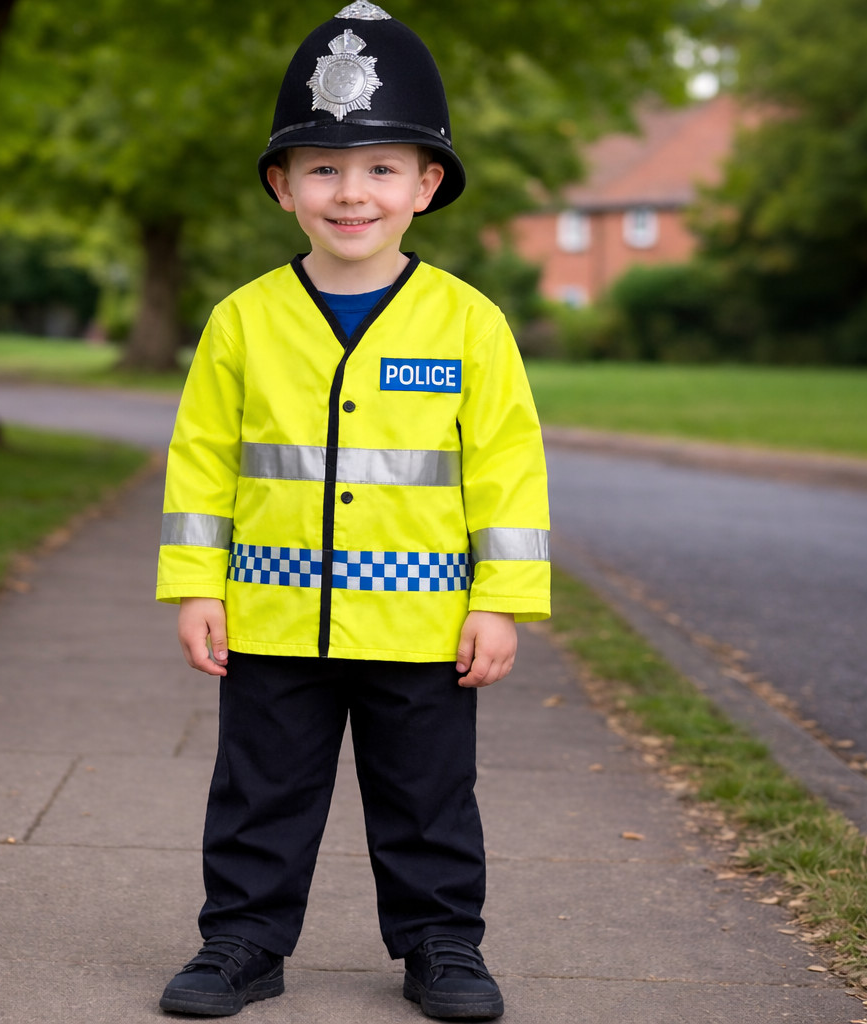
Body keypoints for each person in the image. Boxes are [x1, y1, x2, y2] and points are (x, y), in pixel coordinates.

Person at [155, 2, 550, 1018]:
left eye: (381, 167)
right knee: (259, 795)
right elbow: (200, 460)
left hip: (420, 623)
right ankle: (242, 938)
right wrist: (196, 584)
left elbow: (507, 468)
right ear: (282, 187)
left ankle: (440, 944)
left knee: (426, 801)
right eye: (323, 167)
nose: (351, 191)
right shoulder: (242, 319)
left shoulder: (469, 323)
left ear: (426, 185)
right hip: (271, 615)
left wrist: (499, 600)